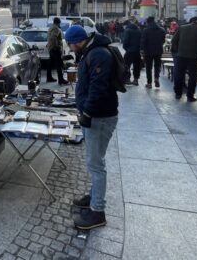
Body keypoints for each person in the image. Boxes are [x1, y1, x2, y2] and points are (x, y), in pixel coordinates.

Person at [63, 25, 118, 230]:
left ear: (77, 41)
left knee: (96, 165)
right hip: (96, 115)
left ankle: (97, 212)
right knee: (94, 162)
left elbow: (98, 88)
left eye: (70, 44)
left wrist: (87, 113)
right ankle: (94, 197)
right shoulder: (90, 52)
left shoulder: (99, 55)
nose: (69, 48)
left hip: (99, 117)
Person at [171, 18, 197, 102]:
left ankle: (178, 93)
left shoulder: (182, 28)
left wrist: (178, 50)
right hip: (194, 58)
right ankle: (190, 96)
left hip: (181, 56)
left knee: (179, 74)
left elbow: (174, 41)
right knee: (193, 77)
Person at [140, 16, 166, 89]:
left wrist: (141, 49)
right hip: (158, 51)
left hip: (148, 52)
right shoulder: (162, 29)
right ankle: (156, 78)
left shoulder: (146, 30)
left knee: (148, 67)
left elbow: (143, 41)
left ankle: (149, 83)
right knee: (157, 66)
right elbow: (163, 41)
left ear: (148, 22)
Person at [46, 17, 67, 85]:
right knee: (59, 65)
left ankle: (49, 77)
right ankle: (61, 80)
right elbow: (53, 38)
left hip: (51, 48)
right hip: (55, 49)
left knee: (50, 63)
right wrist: (57, 47)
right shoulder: (56, 29)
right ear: (58, 22)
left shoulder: (51, 28)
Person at [122, 20, 142, 86]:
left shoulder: (127, 30)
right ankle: (136, 80)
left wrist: (126, 48)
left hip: (129, 51)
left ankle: (127, 79)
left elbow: (125, 41)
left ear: (126, 25)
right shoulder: (139, 30)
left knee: (127, 65)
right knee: (137, 66)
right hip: (137, 51)